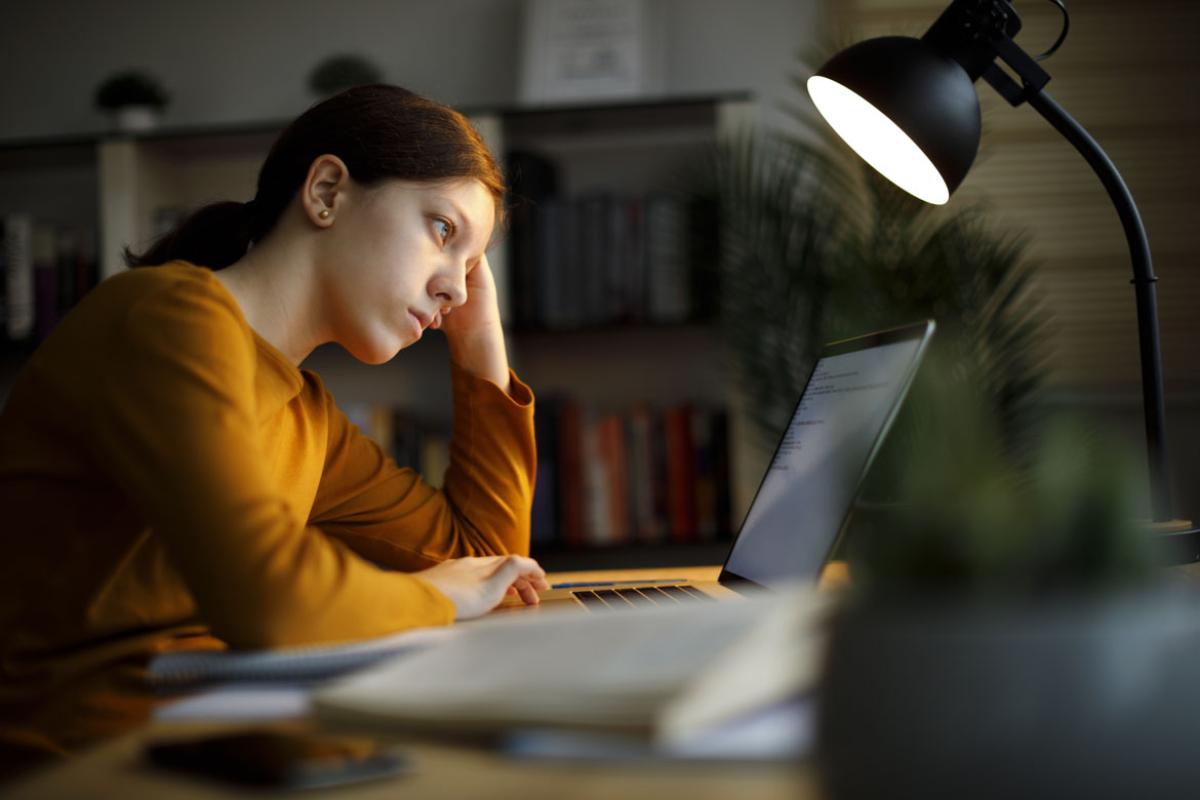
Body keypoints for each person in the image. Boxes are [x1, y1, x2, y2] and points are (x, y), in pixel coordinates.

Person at [0, 84, 548, 776]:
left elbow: (493, 563)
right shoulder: (164, 319)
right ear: (325, 191)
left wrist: (479, 346)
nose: (457, 289)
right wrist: (437, 594)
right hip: (84, 765)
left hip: (220, 739)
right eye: (441, 230)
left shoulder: (304, 414)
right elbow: (271, 600)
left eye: (473, 269)